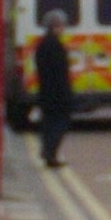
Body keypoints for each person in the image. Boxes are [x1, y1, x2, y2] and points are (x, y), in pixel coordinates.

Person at [35, 9, 74, 168]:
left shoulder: (42, 44)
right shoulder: (55, 45)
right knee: (60, 123)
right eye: (60, 25)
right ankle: (50, 152)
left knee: (48, 122)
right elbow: (60, 71)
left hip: (45, 91)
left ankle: (47, 151)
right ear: (54, 27)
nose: (63, 28)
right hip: (57, 92)